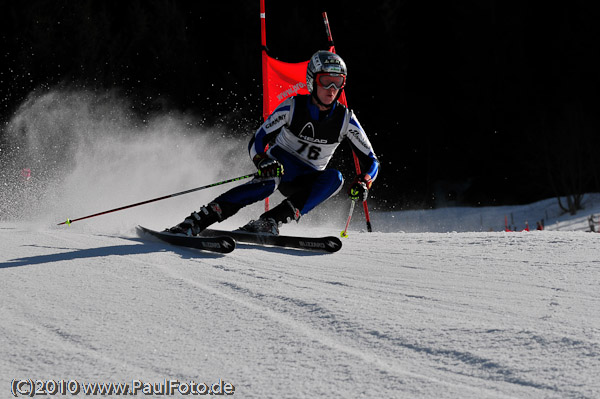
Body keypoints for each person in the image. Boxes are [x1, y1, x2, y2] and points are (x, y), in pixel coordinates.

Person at [167, 50, 379, 236]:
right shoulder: (293, 106)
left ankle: (270, 221)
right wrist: (262, 161)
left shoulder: (346, 119)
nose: (332, 88)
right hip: (280, 168)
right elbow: (258, 138)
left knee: (335, 178)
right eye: (325, 81)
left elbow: (371, 160)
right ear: (312, 80)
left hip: (306, 179)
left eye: (338, 82)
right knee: (268, 183)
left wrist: (365, 181)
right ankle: (197, 221)